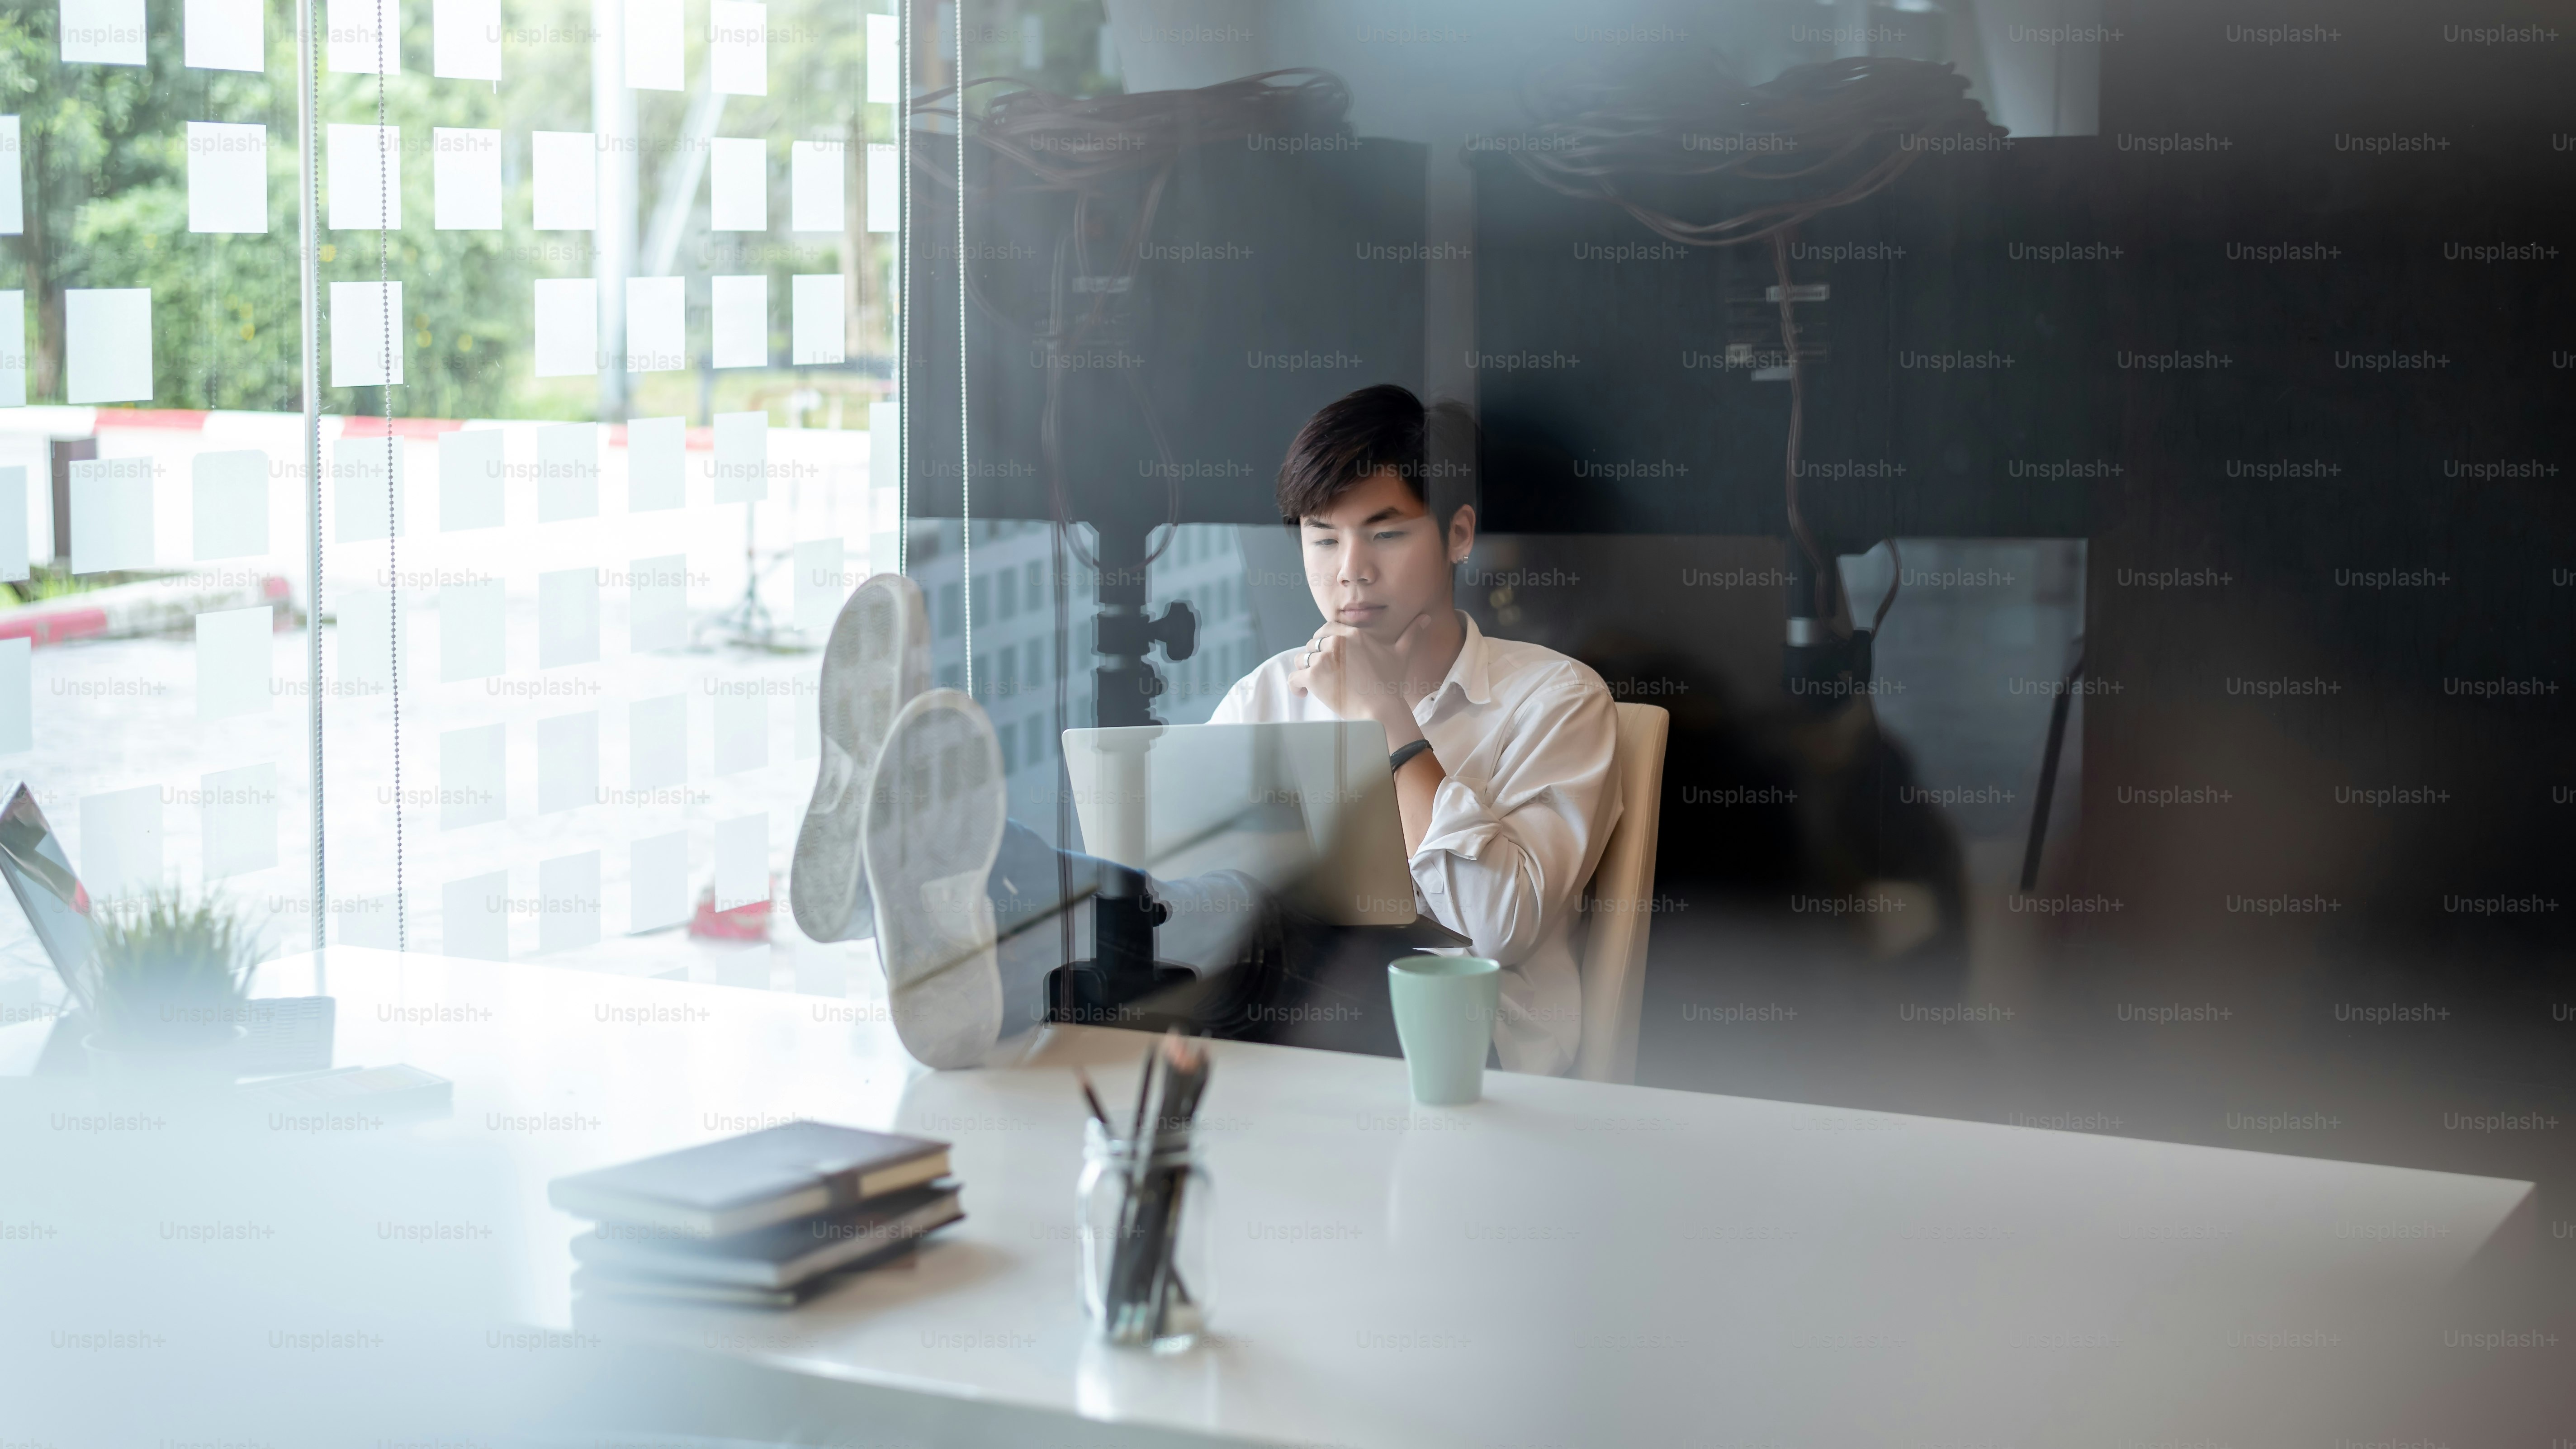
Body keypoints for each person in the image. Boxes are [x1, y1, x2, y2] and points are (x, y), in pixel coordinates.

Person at [791, 384, 1623, 1076]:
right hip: (1263, 1014)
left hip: (1459, 1046)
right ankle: (940, 916)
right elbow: (1174, 900)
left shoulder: (1557, 700)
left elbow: (1502, 924)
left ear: (1458, 535)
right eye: (1321, 537)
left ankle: (948, 892)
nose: (1349, 571)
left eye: (1386, 534)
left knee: (1256, 912)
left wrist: (1389, 722)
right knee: (1191, 916)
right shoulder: (1272, 689)